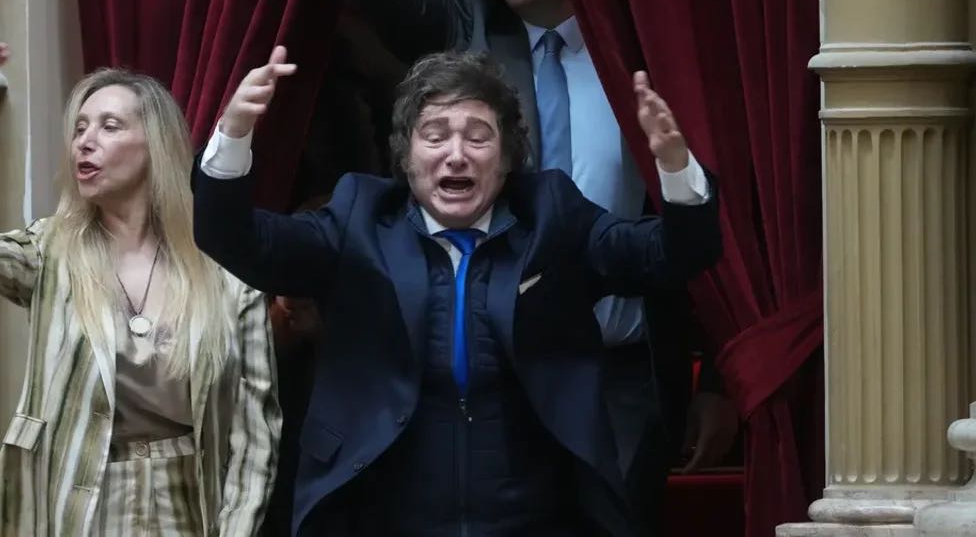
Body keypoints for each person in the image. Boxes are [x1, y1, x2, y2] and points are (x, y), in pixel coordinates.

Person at [244, 0, 739, 530]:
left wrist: (717, 372)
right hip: (499, 369)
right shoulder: (470, 18)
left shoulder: (645, 45)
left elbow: (695, 226)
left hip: (622, 369)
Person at [193, 47, 722, 536]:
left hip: (535, 515)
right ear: (405, 156)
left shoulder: (552, 216)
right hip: (381, 514)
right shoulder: (359, 220)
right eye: (435, 135)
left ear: (507, 156)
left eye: (478, 136)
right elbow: (234, 238)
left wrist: (676, 170)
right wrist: (234, 136)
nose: (456, 154)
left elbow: (671, 255)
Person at [0, 43, 280, 536]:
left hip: (185, 509)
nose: (85, 141)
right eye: (80, 128)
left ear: (155, 146)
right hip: (74, 507)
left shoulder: (224, 273)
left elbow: (256, 438)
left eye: (109, 126)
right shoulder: (52, 253)